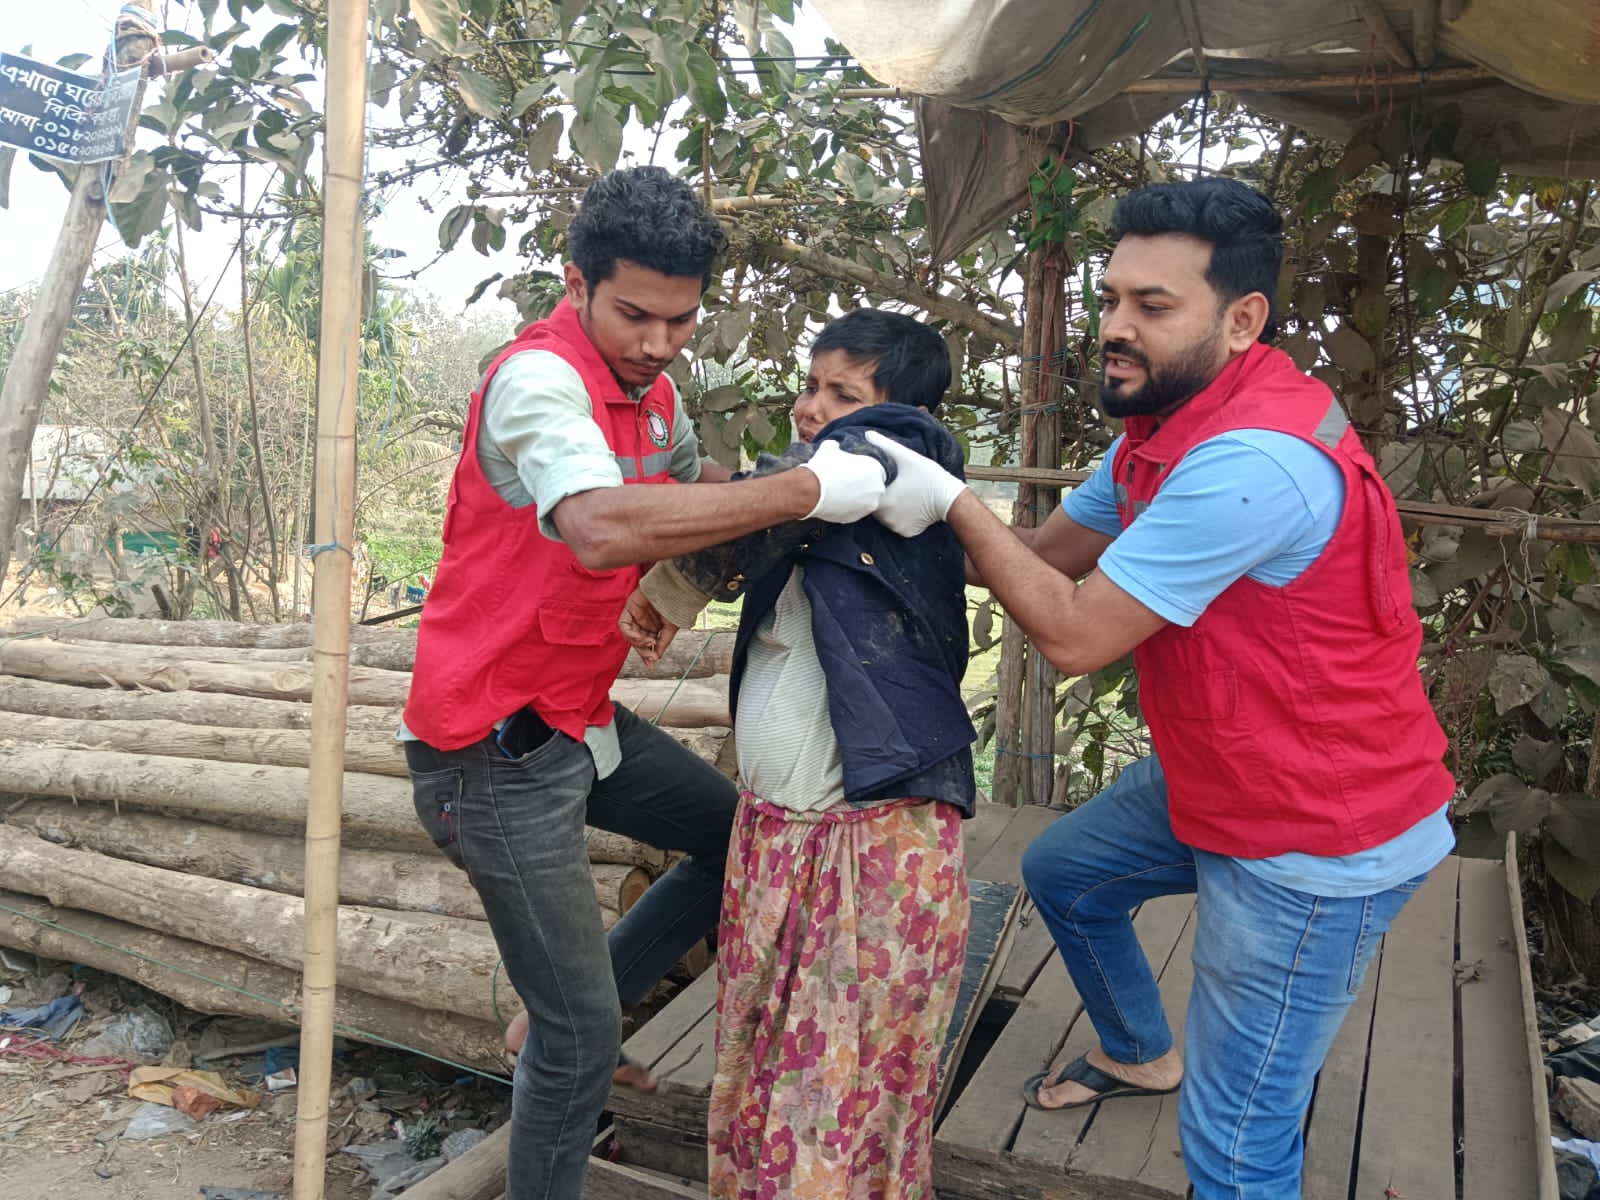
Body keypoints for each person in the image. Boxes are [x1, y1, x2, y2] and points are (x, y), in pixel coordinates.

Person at [861, 178, 1456, 1198]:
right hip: (1229, 767)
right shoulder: (1159, 431)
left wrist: (950, 499)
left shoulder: (1250, 463)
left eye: (1152, 305)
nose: (1115, 327)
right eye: (1110, 300)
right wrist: (874, 510)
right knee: (1066, 873)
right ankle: (1140, 1050)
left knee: (1236, 1143)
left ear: (1242, 319)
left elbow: (1074, 632)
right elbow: (1043, 555)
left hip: (1312, 837)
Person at [399, 167, 893, 1200]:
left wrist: (799, 481)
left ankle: (558, 1018)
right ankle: (564, 1044)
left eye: (682, 319)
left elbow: (687, 485)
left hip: (576, 719)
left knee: (738, 839)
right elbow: (596, 523)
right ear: (577, 282)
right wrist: (805, 489)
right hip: (490, 746)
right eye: (635, 315)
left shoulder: (652, 393)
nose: (661, 342)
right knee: (581, 1040)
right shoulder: (540, 382)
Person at [622, 309, 975, 1200]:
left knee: (828, 1100)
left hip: (865, 851)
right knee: (772, 1080)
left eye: (841, 392)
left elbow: (825, 468)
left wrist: (674, 583)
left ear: (902, 414)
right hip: (784, 842)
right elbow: (781, 505)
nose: (813, 408)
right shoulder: (818, 507)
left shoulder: (897, 458)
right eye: (811, 387)